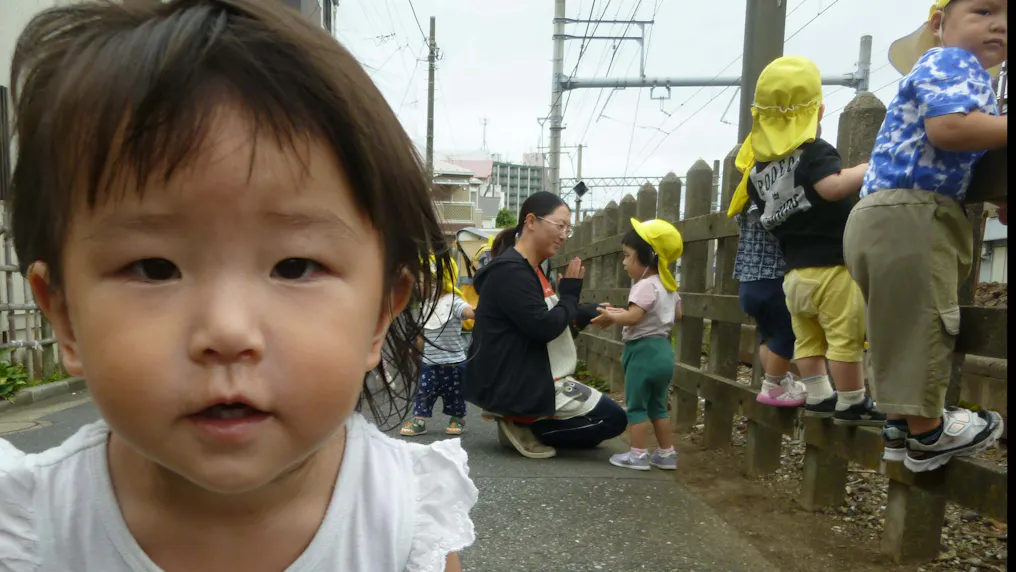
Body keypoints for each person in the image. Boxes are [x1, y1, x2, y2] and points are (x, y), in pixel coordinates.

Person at [0, 1, 477, 570]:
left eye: (295, 267)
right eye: (154, 268)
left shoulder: (405, 522)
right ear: (65, 318)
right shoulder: (31, 530)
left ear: (380, 314)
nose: (227, 331)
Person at [844, 0, 1006, 472]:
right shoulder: (953, 61)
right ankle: (929, 433)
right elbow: (949, 129)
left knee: (895, 323)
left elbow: (960, 150)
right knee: (925, 323)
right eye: (984, 10)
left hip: (882, 215)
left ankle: (899, 424)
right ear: (939, 24)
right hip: (912, 213)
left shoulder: (950, 72)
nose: (999, 24)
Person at [735, 55, 886, 427]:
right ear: (817, 111)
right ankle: (852, 400)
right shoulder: (815, 151)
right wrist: (869, 168)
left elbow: (767, 216)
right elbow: (832, 188)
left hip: (793, 275)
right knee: (844, 337)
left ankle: (818, 395)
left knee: (807, 338)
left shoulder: (756, 172)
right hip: (834, 267)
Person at [464, 192, 627, 459]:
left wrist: (585, 313)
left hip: (539, 373)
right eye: (559, 225)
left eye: (568, 229)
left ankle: (527, 420)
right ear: (531, 221)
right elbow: (544, 327)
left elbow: (555, 329)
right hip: (523, 381)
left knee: (604, 425)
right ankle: (521, 422)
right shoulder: (511, 272)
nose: (564, 235)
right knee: (611, 421)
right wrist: (571, 296)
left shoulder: (533, 270)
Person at [590, 219, 683, 471]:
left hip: (641, 352)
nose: (624, 262)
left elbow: (633, 317)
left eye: (628, 256)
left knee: (637, 405)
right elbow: (677, 315)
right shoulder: (669, 286)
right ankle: (666, 453)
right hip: (663, 351)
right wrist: (628, 313)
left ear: (647, 257)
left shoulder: (643, 285)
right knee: (658, 406)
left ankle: (638, 454)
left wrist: (612, 316)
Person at [727, 168, 806, 409]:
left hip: (748, 282)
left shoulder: (744, 197)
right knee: (787, 332)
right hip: (772, 276)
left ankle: (777, 382)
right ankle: (773, 385)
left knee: (767, 333)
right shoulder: (773, 194)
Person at [401, 256, 476, 437]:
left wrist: (478, 311)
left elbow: (468, 312)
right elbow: (421, 333)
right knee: (424, 392)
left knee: (456, 395)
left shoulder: (454, 302)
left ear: (436, 281)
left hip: (455, 362)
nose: (417, 285)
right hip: (430, 362)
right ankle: (419, 420)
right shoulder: (424, 305)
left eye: (421, 280)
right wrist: (415, 350)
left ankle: (457, 419)